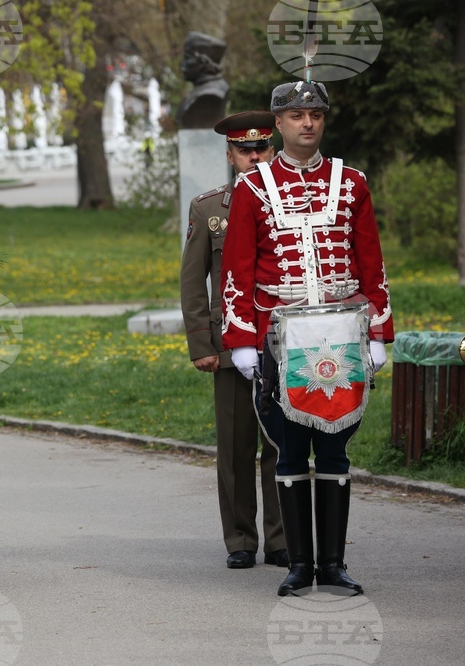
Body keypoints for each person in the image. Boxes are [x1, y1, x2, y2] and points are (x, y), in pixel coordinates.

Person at [220, 80, 393, 597]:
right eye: (296, 116)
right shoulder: (252, 189)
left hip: (342, 334)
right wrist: (241, 339)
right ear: (279, 124)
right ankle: (299, 565)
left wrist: (379, 329)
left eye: (315, 113)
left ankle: (334, 565)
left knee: (335, 449)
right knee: (291, 450)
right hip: (279, 336)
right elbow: (237, 269)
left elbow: (370, 260)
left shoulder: (352, 182)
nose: (307, 123)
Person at [181, 111, 287, 570]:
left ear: (273, 149)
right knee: (237, 444)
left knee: (282, 444)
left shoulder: (292, 202)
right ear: (230, 156)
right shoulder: (209, 209)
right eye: (245, 150)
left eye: (262, 147)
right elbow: (193, 280)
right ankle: (241, 539)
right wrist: (203, 344)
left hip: (286, 339)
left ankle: (283, 540)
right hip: (229, 344)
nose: (254, 156)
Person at [176, 32, 230, 129]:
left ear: (203, 61)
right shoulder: (198, 91)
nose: (182, 64)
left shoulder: (212, 93)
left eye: (187, 58)